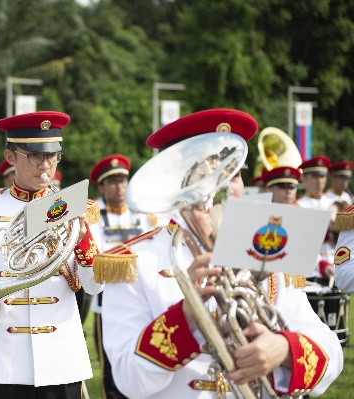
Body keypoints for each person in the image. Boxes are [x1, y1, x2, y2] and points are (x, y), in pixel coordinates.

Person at [99, 109, 343, 399]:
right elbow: (129, 381)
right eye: (205, 172)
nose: (224, 186)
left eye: (234, 172)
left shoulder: (268, 250)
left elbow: (332, 353)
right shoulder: (134, 262)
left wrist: (284, 350)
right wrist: (186, 318)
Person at [0, 111, 103, 399]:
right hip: (4, 358)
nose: (45, 166)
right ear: (10, 156)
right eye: (35, 156)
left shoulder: (75, 207)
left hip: (61, 356)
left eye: (53, 156)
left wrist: (82, 234)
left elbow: (94, 285)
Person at [88, 154, 157, 399]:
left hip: (142, 295)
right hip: (107, 298)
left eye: (123, 180)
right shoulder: (91, 214)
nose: (120, 186)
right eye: (113, 181)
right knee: (111, 363)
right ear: (102, 186)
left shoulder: (144, 212)